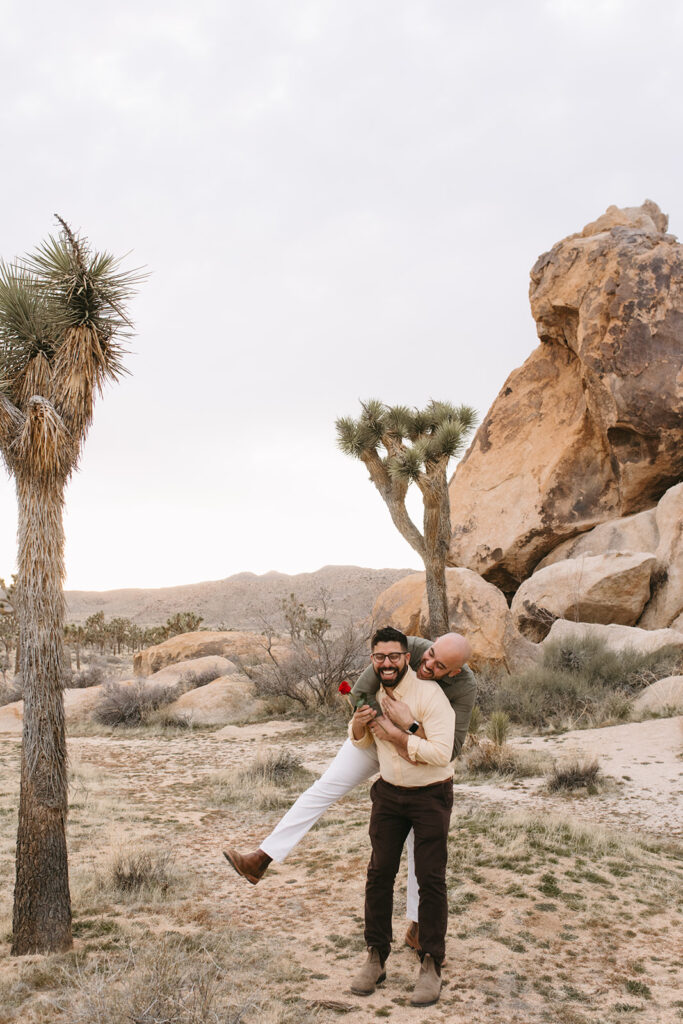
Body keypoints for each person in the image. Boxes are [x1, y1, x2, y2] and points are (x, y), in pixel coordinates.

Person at [223, 631, 476, 947]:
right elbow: (359, 693)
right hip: (377, 736)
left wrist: (409, 728)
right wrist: (380, 724)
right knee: (325, 787)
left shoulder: (464, 687)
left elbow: (449, 749)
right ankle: (262, 858)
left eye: (439, 667)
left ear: (454, 672)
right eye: (430, 655)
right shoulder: (406, 648)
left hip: (418, 753)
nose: (428, 665)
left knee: (417, 841)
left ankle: (418, 925)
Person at [349, 627, 454, 1006]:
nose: (387, 663)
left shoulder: (431, 696)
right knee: (379, 873)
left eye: (394, 656)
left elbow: (442, 753)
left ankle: (431, 962)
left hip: (430, 795)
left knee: (430, 877)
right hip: (389, 794)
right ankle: (376, 957)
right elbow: (359, 740)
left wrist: (401, 730)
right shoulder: (370, 694)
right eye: (380, 657)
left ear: (407, 658)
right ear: (373, 659)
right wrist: (360, 725)